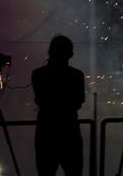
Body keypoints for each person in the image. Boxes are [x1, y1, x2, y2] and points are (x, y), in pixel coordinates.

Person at [32, 35, 85, 176]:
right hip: (70, 133)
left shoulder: (38, 74)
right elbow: (78, 102)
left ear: (49, 52)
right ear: (70, 54)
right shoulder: (77, 75)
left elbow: (40, 100)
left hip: (46, 133)